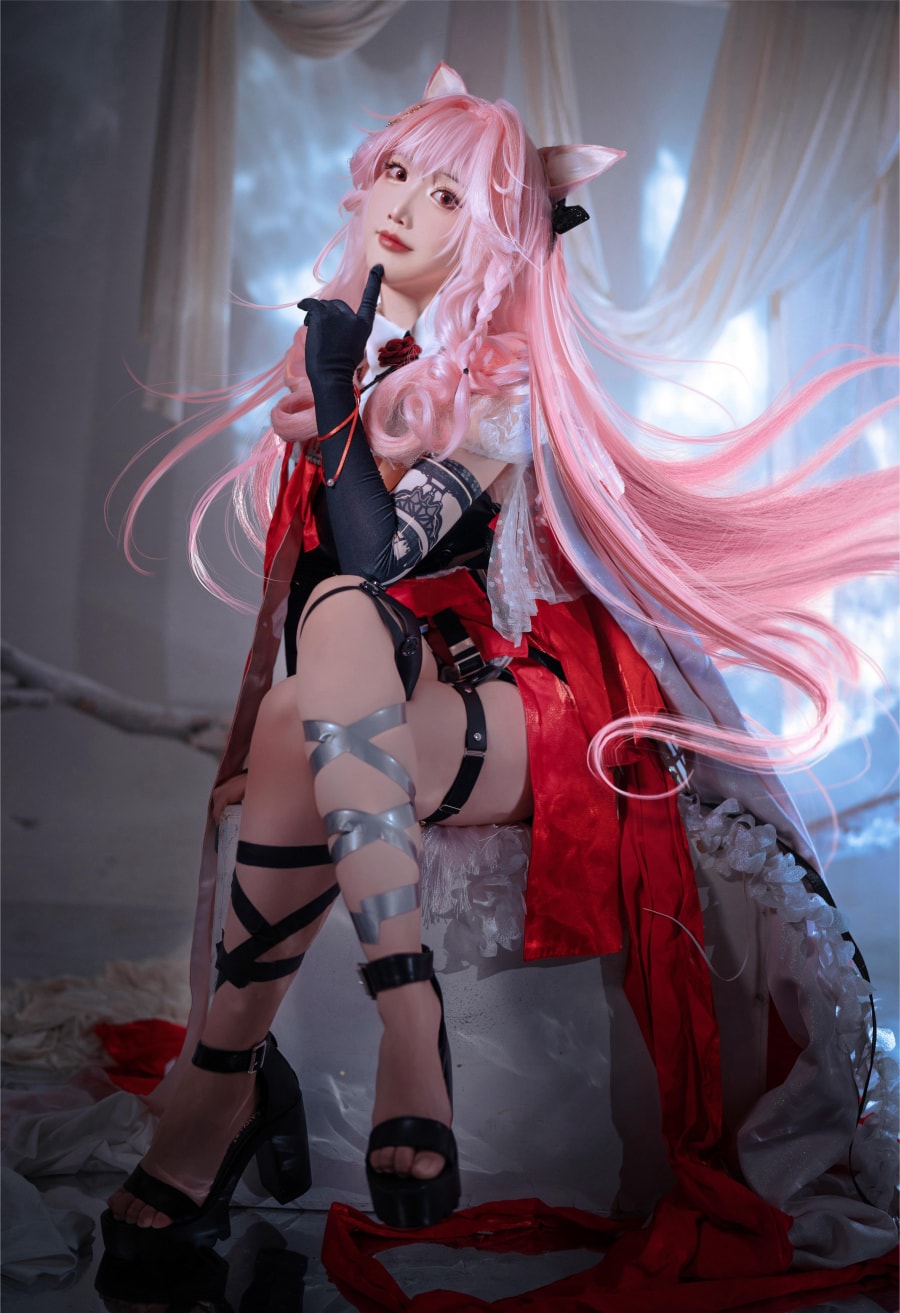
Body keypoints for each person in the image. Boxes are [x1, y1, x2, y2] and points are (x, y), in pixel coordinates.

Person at [104, 64, 897, 1287]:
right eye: (397, 174)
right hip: (379, 690)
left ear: (499, 236)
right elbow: (324, 598)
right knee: (311, 687)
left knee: (338, 628)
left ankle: (234, 1084)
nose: (405, 205)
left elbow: (378, 554)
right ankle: (380, 1025)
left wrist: (336, 394)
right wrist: (339, 390)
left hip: (524, 701)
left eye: (448, 196)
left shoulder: (498, 386)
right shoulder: (357, 365)